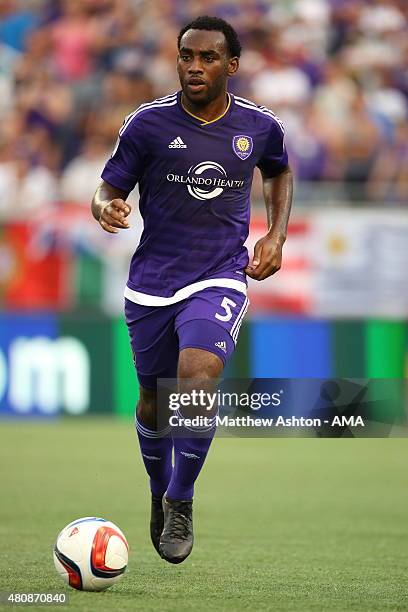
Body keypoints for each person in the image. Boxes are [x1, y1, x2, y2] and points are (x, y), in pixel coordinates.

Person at [91, 15, 293, 565]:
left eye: (207, 58)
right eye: (186, 56)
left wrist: (275, 234)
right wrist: (105, 207)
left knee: (198, 372)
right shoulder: (147, 124)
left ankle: (181, 498)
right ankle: (158, 491)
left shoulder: (260, 125)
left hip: (220, 273)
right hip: (153, 281)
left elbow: (277, 170)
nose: (194, 67)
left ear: (231, 65)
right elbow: (107, 187)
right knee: (155, 401)